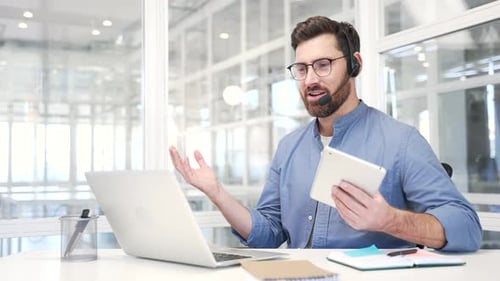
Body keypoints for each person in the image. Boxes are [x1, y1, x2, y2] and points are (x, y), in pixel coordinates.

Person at [169, 16, 482, 252]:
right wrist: (216, 194)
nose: (310, 80)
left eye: (323, 65)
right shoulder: (290, 147)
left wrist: (390, 221)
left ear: (355, 65)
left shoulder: (402, 141)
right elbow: (268, 233)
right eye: (302, 69)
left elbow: (467, 228)